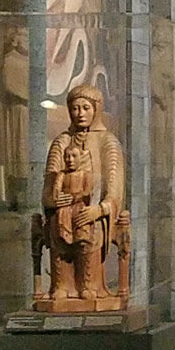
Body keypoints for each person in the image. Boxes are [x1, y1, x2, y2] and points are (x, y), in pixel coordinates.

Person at [42, 83, 124, 303]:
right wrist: (55, 199)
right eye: (75, 108)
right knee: (57, 228)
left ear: (96, 109)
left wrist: (98, 210)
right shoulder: (61, 142)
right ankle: (61, 287)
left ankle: (89, 286)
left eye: (85, 108)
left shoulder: (108, 142)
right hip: (63, 212)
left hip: (93, 213)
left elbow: (114, 189)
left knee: (88, 231)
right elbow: (49, 186)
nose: (80, 114)